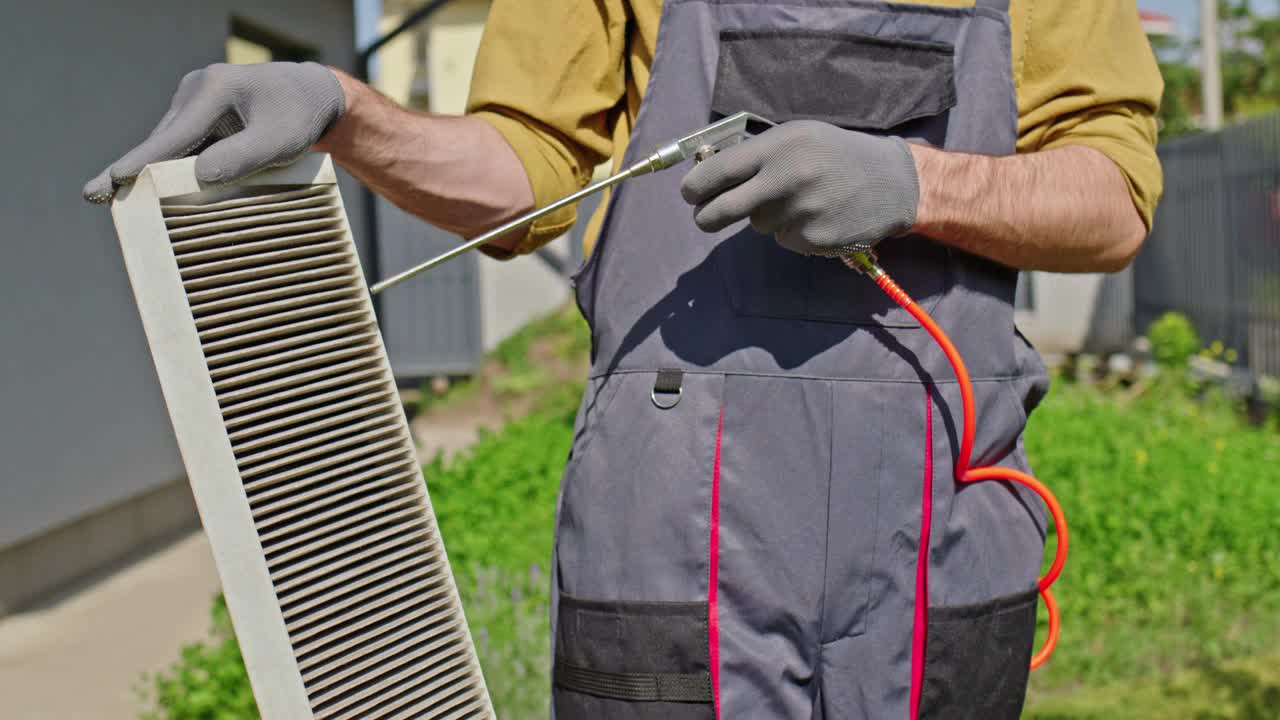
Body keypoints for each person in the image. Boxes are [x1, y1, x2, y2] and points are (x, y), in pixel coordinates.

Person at [84, 1, 1163, 717]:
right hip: (668, 541)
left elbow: (1109, 197)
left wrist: (919, 184)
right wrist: (343, 112)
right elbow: (527, 167)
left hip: (930, 540)